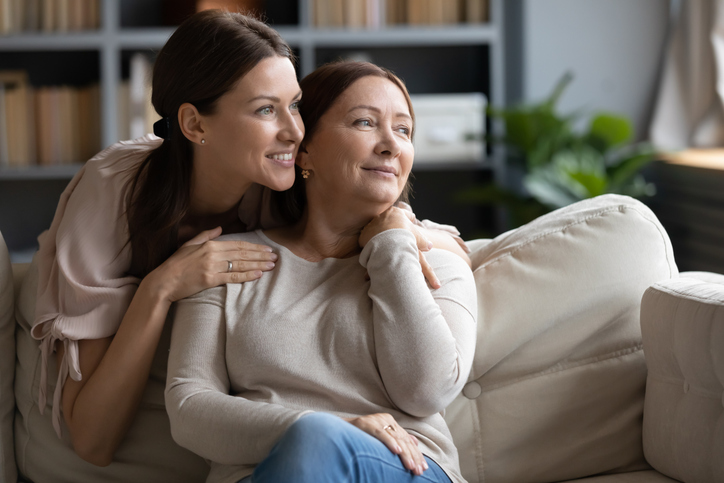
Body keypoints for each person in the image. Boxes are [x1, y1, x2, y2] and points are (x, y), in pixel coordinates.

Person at [26, 9, 468, 478]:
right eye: (265, 109)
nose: (296, 131)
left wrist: (399, 227)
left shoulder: (276, 183)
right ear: (195, 125)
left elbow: (422, 235)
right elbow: (98, 437)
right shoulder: (119, 195)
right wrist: (162, 286)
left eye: (295, 104)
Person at [165, 61, 477, 483]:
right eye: (366, 122)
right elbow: (188, 408)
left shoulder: (434, 261)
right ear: (304, 149)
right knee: (315, 439)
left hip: (405, 466)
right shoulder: (226, 259)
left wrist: (391, 245)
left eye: (403, 131)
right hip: (263, 472)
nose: (391, 145)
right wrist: (316, 425)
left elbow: (426, 391)